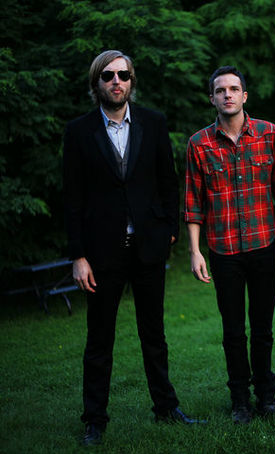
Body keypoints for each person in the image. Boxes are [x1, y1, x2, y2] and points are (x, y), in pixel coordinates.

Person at [63, 50, 203, 446]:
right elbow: (72, 198)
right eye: (108, 75)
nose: (116, 81)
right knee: (99, 340)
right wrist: (78, 256)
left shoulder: (153, 122)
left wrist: (169, 229)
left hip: (147, 248)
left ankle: (166, 408)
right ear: (97, 83)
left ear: (132, 81)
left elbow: (168, 181)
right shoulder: (79, 131)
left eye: (123, 75)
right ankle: (94, 420)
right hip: (101, 253)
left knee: (154, 335)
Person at [184, 66, 275, 424]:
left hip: (264, 244)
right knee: (233, 331)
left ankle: (266, 396)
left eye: (234, 89)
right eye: (221, 90)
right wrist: (195, 251)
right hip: (223, 251)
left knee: (262, 329)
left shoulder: (268, 133)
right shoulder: (199, 144)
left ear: (244, 95)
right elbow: (193, 202)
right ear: (212, 99)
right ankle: (239, 401)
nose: (228, 95)